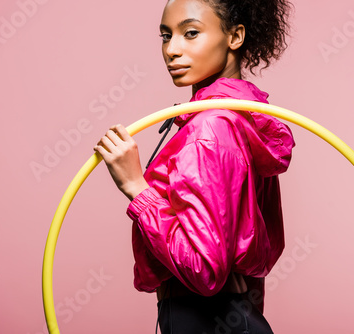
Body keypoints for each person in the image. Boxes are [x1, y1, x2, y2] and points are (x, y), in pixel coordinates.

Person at [94, 0, 295, 332]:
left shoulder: (211, 128)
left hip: (201, 318)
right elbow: (245, 253)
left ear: (235, 36)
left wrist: (135, 187)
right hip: (223, 317)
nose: (172, 50)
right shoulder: (237, 119)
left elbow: (204, 269)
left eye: (190, 33)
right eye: (165, 36)